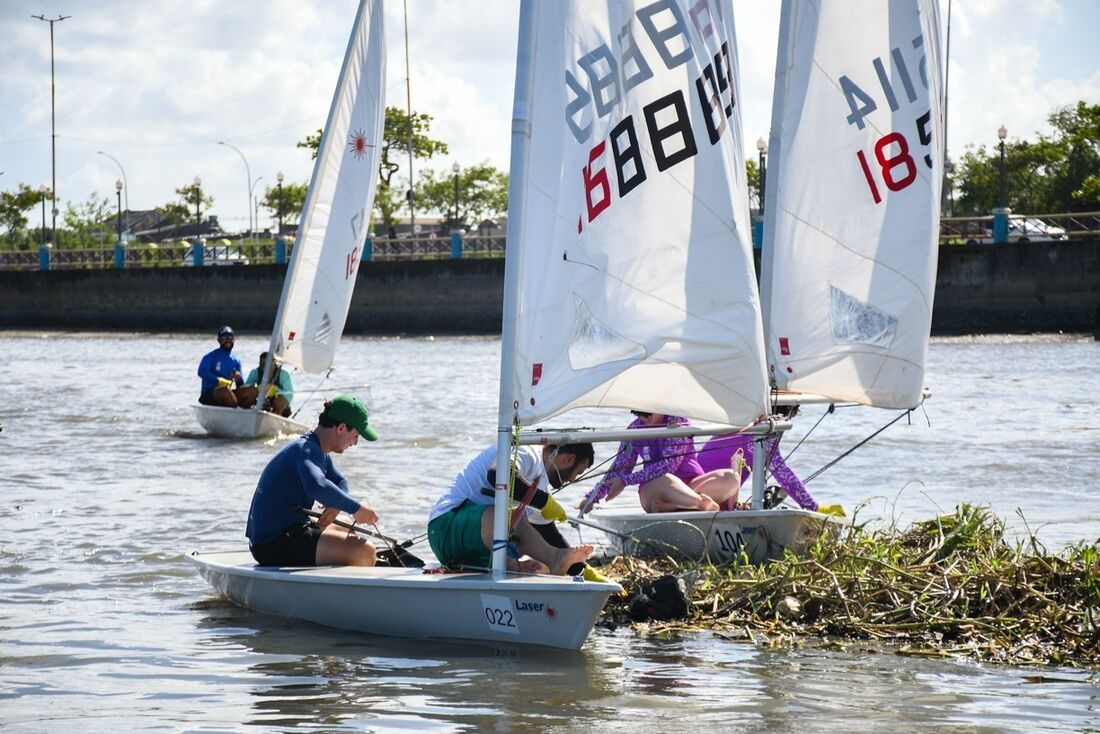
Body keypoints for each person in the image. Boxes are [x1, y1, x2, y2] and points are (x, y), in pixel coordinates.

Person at [245, 395, 381, 567]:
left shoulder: (317, 449)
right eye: (356, 436)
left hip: (290, 532)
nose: (355, 443)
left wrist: (337, 505)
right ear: (340, 428)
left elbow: (341, 481)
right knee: (365, 551)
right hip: (273, 544)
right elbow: (317, 486)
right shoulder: (306, 450)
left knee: (347, 527)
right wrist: (356, 508)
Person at [427, 443, 597, 578]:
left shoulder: (541, 483)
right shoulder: (526, 451)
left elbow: (549, 536)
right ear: (568, 459)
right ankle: (552, 559)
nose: (573, 480)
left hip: (473, 553)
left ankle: (519, 566)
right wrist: (543, 501)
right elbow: (497, 474)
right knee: (513, 517)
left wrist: (585, 573)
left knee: (539, 563)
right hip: (445, 528)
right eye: (578, 472)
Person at [579, 411, 741, 514]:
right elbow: (620, 468)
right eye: (638, 413)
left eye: (647, 413)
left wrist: (626, 481)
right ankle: (699, 504)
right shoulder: (634, 430)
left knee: (731, 477)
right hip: (655, 490)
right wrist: (592, 497)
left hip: (689, 486)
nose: (643, 418)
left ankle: (672, 507)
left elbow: (669, 465)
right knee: (666, 479)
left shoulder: (678, 423)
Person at [696, 405, 844, 515]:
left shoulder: (748, 422)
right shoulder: (761, 431)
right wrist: (814, 507)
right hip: (706, 492)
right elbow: (783, 473)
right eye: (791, 416)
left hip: (706, 487)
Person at [196, 326, 258, 408]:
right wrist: (218, 380)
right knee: (224, 390)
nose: (227, 340)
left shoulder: (236, 360)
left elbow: (240, 385)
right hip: (210, 394)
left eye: (230, 338)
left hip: (228, 396)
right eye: (224, 338)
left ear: (234, 340)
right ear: (219, 340)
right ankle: (237, 410)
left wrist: (239, 378)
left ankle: (245, 412)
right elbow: (201, 371)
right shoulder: (210, 356)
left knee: (251, 390)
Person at [245, 352, 294, 417]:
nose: (266, 368)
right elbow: (246, 390)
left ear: (274, 363)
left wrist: (276, 390)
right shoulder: (255, 373)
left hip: (278, 404)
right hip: (260, 401)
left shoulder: (283, 374)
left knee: (279, 401)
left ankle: (275, 416)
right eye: (263, 365)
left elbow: (290, 395)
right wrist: (257, 389)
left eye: (268, 365)